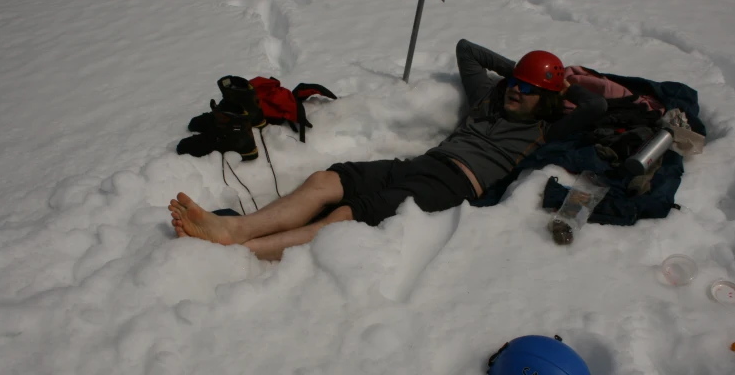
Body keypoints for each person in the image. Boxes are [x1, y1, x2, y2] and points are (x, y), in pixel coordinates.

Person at [169, 39, 608, 260]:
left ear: (547, 98)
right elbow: (467, 51)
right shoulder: (489, 98)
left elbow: (596, 105)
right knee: (326, 181)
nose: (515, 91)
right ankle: (239, 228)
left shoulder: (548, 127)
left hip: (455, 184)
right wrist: (525, 71)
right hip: (422, 164)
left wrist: (559, 85)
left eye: (528, 89)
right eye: (515, 82)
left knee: (348, 215)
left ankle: (239, 248)